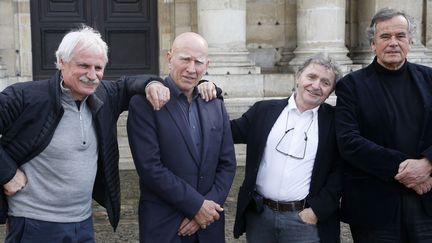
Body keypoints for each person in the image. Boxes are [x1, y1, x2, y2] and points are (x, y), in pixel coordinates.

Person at [0, 25, 170, 242]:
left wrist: (153, 83)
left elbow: (128, 84)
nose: (92, 76)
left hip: (82, 224)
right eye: (83, 66)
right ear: (61, 62)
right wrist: (7, 174)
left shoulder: (105, 95)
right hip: (33, 224)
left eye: (98, 68)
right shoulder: (25, 96)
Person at [127, 32, 236, 243]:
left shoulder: (215, 104)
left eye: (198, 62)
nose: (191, 68)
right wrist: (197, 206)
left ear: (207, 65)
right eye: (185, 59)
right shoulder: (144, 104)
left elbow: (228, 164)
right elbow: (150, 168)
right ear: (169, 58)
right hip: (165, 225)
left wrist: (206, 209)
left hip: (209, 225)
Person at [335, 7, 432, 243]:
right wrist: (408, 170)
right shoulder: (351, 86)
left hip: (427, 200)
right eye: (385, 37)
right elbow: (348, 141)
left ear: (410, 40)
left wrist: (428, 163)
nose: (393, 43)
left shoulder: (430, 79)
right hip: (374, 206)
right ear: (372, 44)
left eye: (400, 36)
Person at [226, 54, 342, 243]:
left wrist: (316, 211)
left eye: (325, 82)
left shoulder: (335, 122)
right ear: (298, 77)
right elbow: (226, 131)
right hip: (260, 216)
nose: (316, 86)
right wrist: (210, 90)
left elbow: (341, 172)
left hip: (305, 221)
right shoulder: (263, 111)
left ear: (330, 91)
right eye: (311, 77)